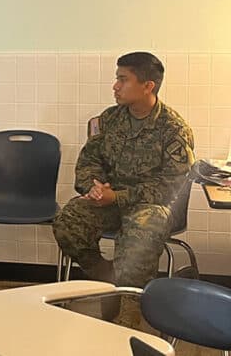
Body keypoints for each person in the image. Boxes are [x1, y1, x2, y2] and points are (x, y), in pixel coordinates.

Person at [53, 52, 195, 328]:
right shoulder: (109, 120)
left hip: (151, 206)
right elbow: (89, 160)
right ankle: (107, 278)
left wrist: (117, 196)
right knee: (68, 219)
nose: (115, 86)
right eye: (116, 79)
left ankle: (131, 306)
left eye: (122, 79)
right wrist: (93, 187)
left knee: (142, 227)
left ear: (147, 86)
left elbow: (171, 187)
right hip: (109, 202)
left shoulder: (174, 129)